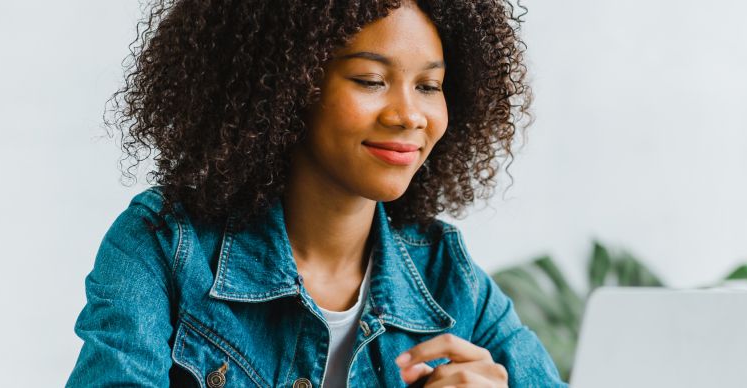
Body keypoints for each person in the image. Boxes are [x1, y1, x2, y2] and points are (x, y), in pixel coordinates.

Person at [66, 0, 564, 386]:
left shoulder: (450, 278)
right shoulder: (164, 246)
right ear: (284, 86)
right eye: (371, 80)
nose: (409, 115)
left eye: (429, 86)